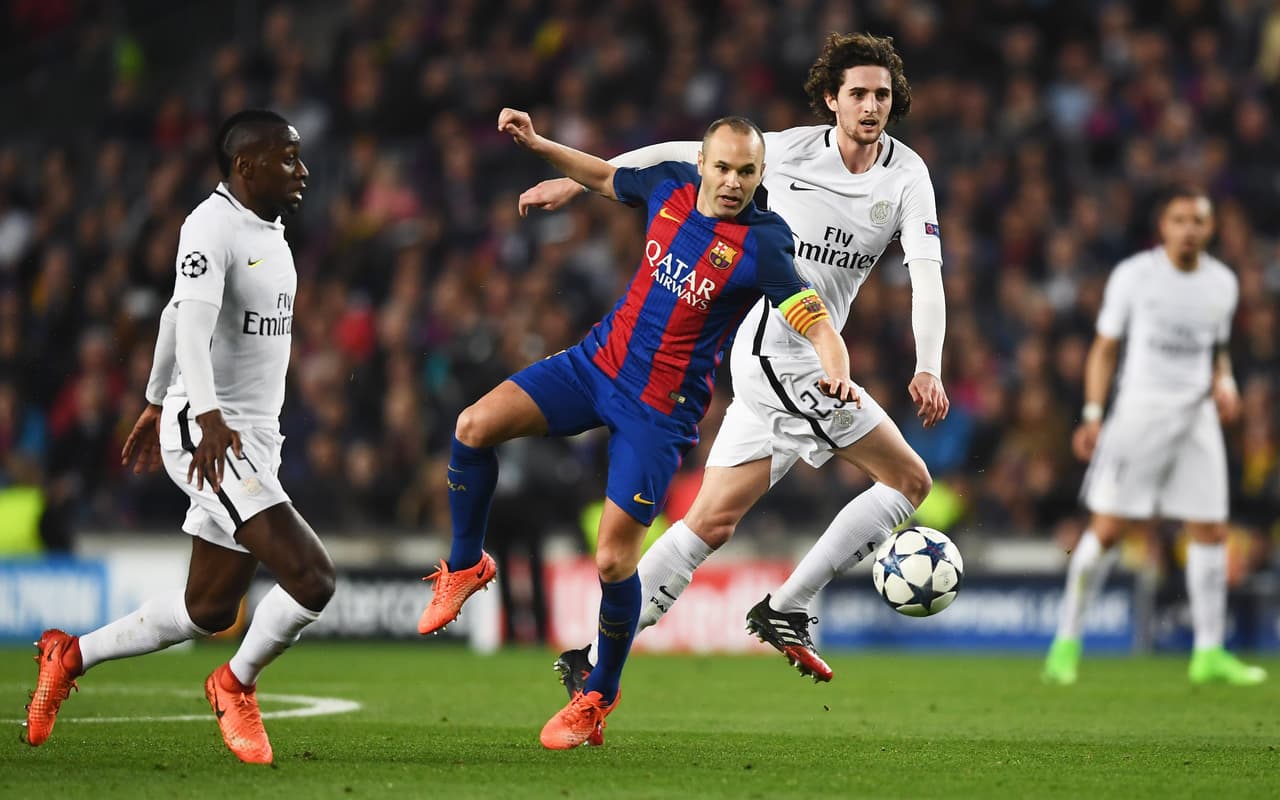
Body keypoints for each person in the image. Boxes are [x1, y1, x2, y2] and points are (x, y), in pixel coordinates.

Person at [417, 107, 857, 750]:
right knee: (473, 425)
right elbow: (601, 174)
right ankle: (464, 565)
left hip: (659, 412)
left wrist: (836, 366)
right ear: (703, 164)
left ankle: (598, 692)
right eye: (725, 168)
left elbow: (814, 317)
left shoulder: (763, 241)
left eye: (749, 172)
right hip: (595, 365)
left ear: (761, 176)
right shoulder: (669, 185)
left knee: (613, 558)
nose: (734, 182)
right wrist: (539, 144)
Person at [520, 32, 946, 684]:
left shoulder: (907, 176)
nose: (870, 106)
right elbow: (689, 156)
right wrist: (587, 181)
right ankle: (790, 607)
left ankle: (592, 657)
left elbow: (927, 271)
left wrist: (929, 364)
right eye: (857, 93)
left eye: (882, 95)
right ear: (832, 98)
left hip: (787, 362)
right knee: (909, 481)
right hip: (782, 352)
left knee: (709, 523)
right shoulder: (786, 152)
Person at [24, 110, 336, 764]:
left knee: (209, 608)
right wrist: (197, 410)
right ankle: (234, 684)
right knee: (312, 578)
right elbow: (191, 328)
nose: (302, 170)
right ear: (247, 165)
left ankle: (70, 655)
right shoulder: (209, 226)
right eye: (287, 158)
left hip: (251, 436)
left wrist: (149, 400)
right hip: (210, 432)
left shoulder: (270, 231)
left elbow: (173, 310)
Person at [1042, 187, 1265, 686]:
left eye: (1198, 221)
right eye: (1180, 219)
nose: (1189, 229)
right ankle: (1066, 641)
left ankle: (1208, 653)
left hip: (1197, 417)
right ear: (1163, 226)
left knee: (1210, 531)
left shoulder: (1222, 283)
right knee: (1108, 530)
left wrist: (1225, 385)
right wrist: (1094, 414)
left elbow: (1219, 350)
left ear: (1210, 229)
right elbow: (1104, 349)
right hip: (1138, 414)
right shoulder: (1135, 277)